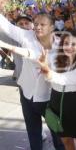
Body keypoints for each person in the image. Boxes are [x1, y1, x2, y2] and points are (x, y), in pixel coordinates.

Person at [0, 11, 64, 150]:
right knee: (33, 134)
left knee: (58, 135)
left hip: (49, 99)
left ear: (52, 27)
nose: (38, 27)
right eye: (35, 24)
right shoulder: (27, 36)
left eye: (42, 24)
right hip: (27, 94)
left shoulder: (61, 47)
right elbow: (7, 27)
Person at [49, 30, 76, 150]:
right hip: (57, 104)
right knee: (66, 140)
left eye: (73, 44)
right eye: (66, 43)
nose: (69, 47)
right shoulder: (54, 60)